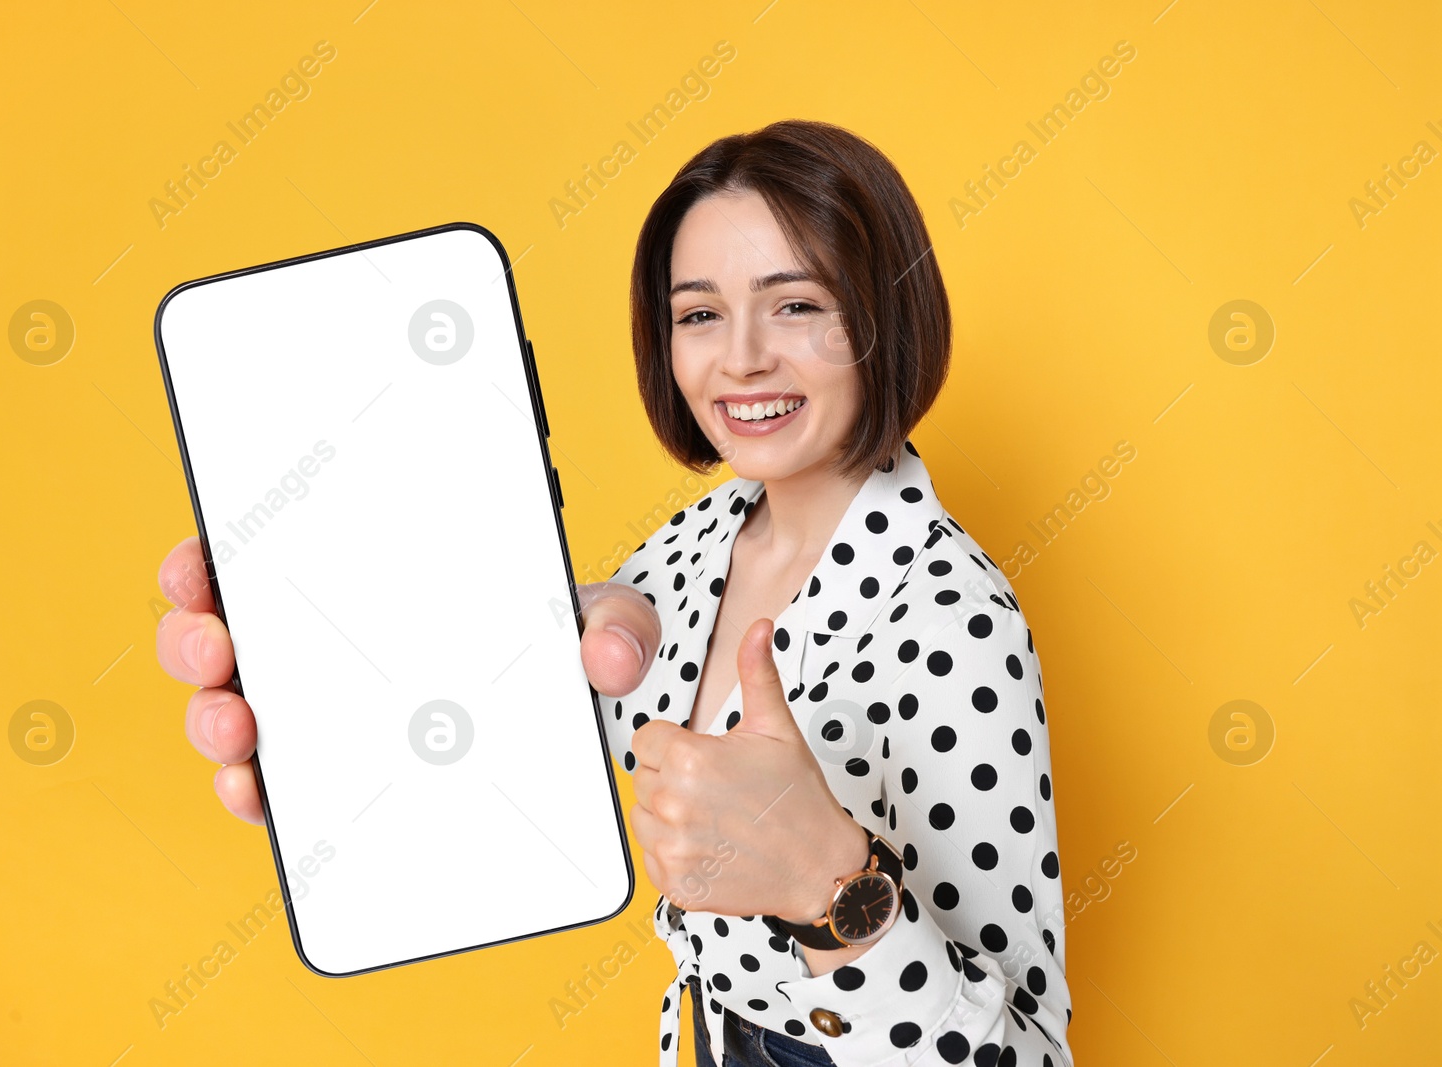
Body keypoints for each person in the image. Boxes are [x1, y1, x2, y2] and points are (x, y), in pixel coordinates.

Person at [155, 119, 1071, 1067]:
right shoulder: (689, 547)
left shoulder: (951, 614)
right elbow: (513, 759)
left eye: (797, 305)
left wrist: (830, 888)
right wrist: (333, 683)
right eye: (699, 314)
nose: (743, 357)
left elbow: (1033, 1054)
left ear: (886, 316)